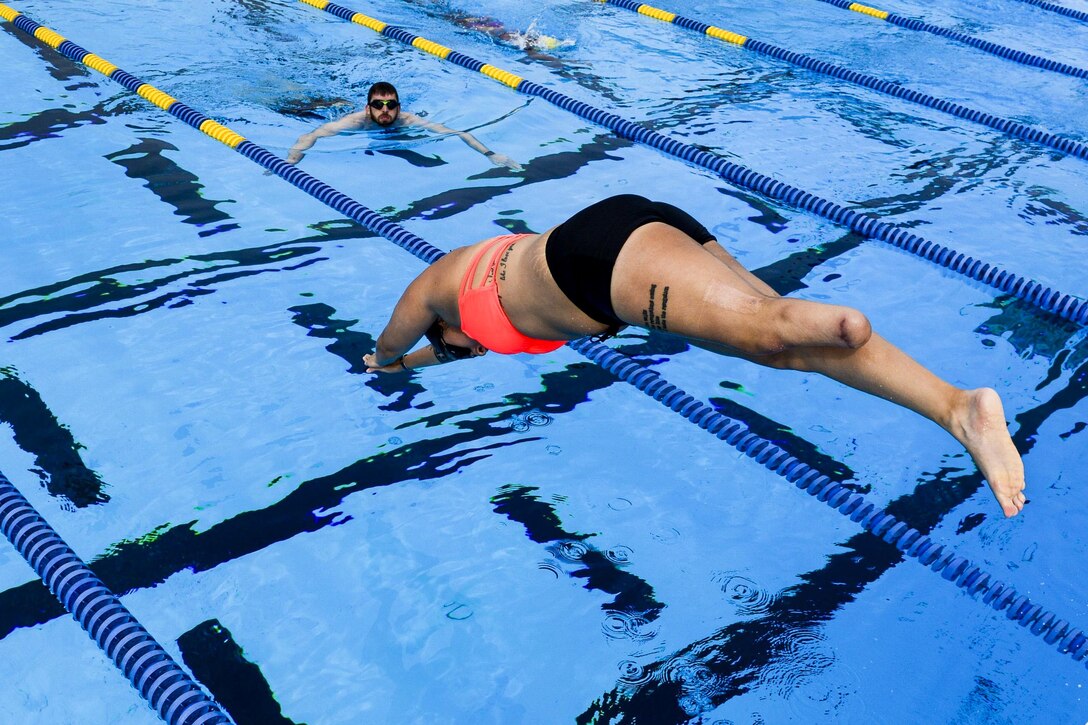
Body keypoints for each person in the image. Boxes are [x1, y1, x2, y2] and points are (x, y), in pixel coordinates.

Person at [362, 194, 1027, 518]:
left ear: (444, 325)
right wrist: (415, 364)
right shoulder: (467, 289)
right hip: (623, 224)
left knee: (768, 333)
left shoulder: (432, 288)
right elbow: (428, 357)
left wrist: (377, 362)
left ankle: (861, 334)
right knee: (790, 346)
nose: (465, 350)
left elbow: (391, 344)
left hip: (599, 266)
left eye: (453, 346)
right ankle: (958, 410)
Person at [286, 82, 522, 170]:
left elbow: (457, 132)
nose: (385, 110)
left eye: (391, 105)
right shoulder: (355, 122)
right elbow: (312, 135)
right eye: (378, 105)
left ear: (399, 107)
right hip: (325, 110)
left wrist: (490, 154)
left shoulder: (408, 119)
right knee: (294, 108)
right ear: (368, 108)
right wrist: (291, 161)